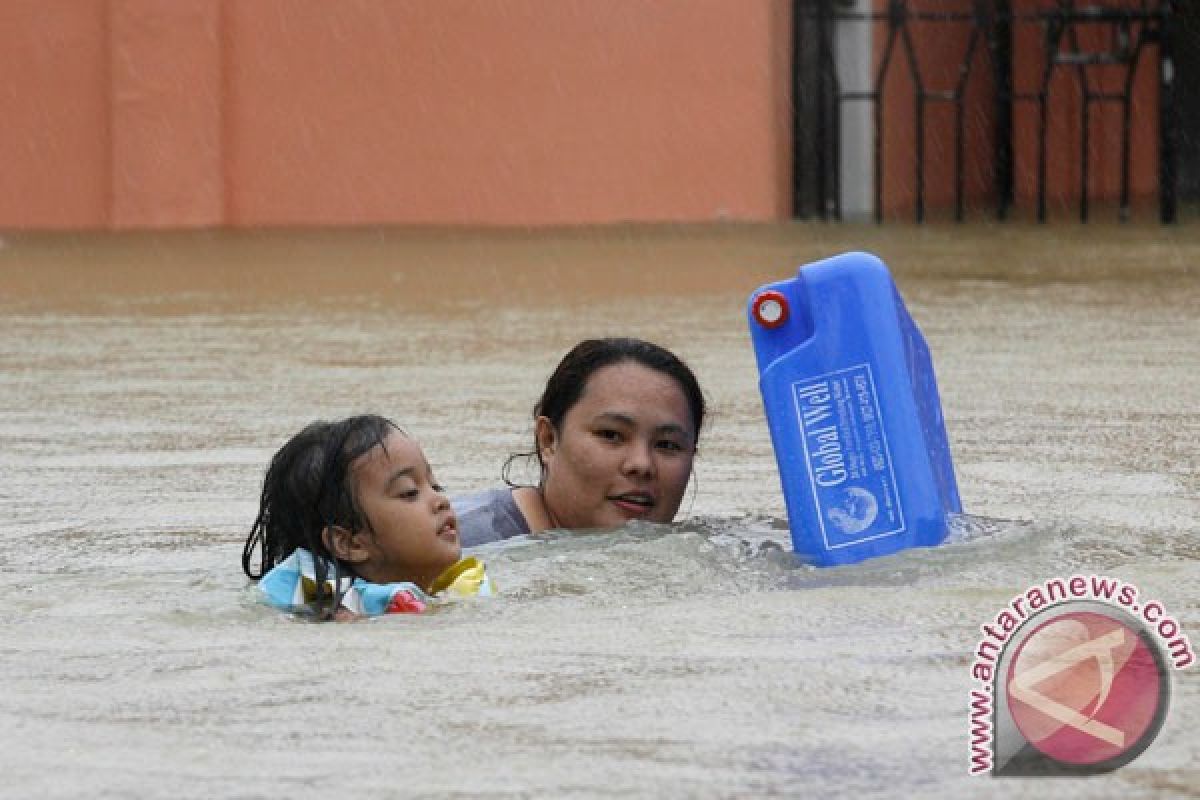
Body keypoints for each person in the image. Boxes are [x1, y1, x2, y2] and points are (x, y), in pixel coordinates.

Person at [454, 337, 705, 546]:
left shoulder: (701, 551)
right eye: (611, 435)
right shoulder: (462, 544)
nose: (641, 464)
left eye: (667, 445)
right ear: (548, 440)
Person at [242, 414, 491, 619]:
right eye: (409, 492)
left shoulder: (463, 583)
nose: (441, 501)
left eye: (435, 486)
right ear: (351, 543)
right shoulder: (333, 608)